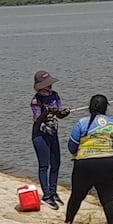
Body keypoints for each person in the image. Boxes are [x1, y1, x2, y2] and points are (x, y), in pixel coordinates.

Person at [63, 95, 113, 224]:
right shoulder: (112, 123)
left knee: (77, 195)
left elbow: (72, 146)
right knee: (108, 198)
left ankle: (68, 222)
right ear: (106, 108)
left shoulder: (82, 123)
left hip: (85, 164)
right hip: (108, 163)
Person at [30, 70, 70, 210]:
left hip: (53, 133)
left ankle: (53, 191)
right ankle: (46, 195)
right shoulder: (36, 100)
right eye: (47, 84)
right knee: (44, 165)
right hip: (40, 135)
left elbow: (59, 114)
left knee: (56, 163)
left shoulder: (55, 96)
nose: (50, 86)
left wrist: (63, 113)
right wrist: (46, 112)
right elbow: (37, 119)